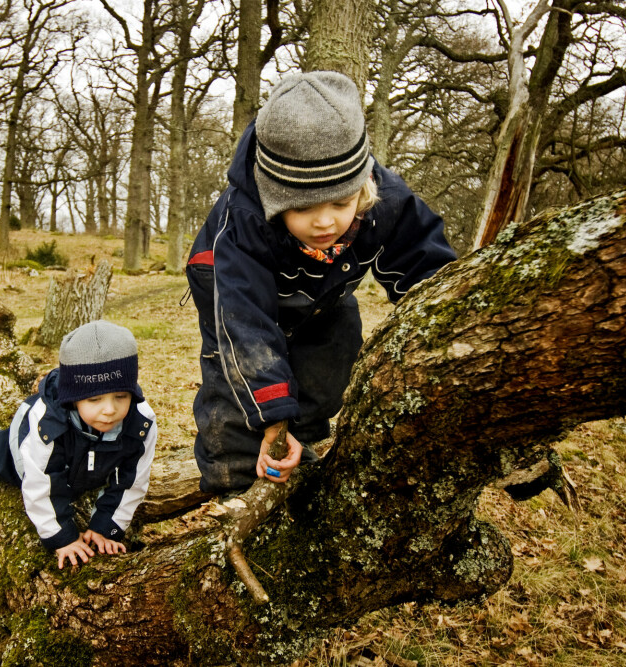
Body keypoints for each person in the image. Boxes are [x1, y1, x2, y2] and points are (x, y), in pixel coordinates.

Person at [185, 71, 456, 495]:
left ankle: (304, 448)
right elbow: (247, 329)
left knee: (335, 348)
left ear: (363, 187)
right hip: (233, 296)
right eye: (304, 207)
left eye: (341, 203)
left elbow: (430, 271)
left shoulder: (388, 200)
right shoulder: (243, 222)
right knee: (240, 394)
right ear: (275, 197)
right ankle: (235, 488)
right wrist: (273, 424)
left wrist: (453, 330)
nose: (326, 221)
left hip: (322, 295)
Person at [0, 320, 157, 569]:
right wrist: (62, 537)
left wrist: (106, 526)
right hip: (30, 457)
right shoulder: (47, 424)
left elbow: (132, 481)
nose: (110, 410)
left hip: (89, 466)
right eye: (94, 399)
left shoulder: (141, 423)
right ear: (73, 398)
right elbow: (39, 485)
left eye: (121, 396)